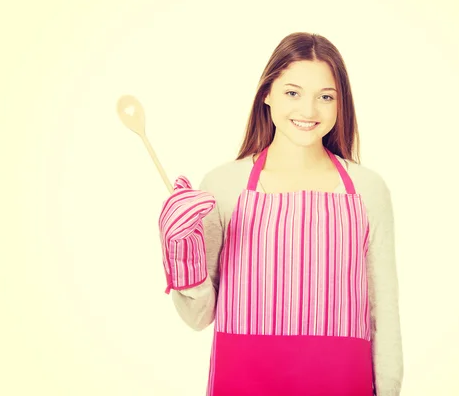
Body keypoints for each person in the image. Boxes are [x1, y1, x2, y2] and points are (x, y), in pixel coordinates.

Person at [159, 32, 403, 396]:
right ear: (267, 95)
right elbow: (199, 318)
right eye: (293, 93)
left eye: (325, 97)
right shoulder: (224, 185)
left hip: (340, 383)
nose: (308, 111)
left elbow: (383, 313)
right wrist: (182, 255)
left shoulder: (368, 188)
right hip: (243, 382)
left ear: (341, 104)